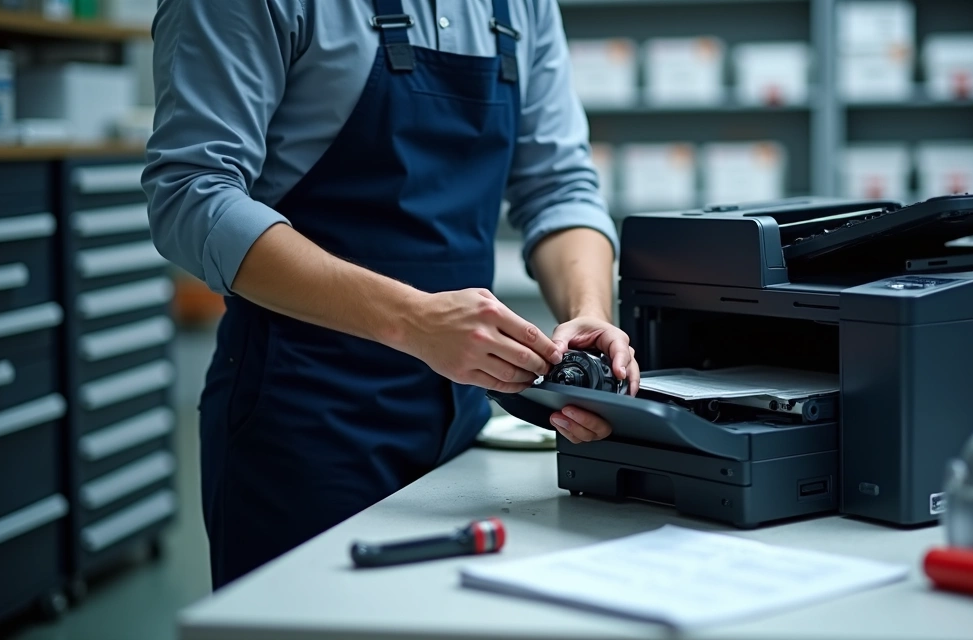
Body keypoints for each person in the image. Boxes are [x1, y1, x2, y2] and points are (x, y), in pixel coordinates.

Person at [143, 0, 639, 589]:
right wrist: (414, 320)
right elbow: (193, 194)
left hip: (463, 419)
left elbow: (559, 185)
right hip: (302, 420)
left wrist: (587, 313)